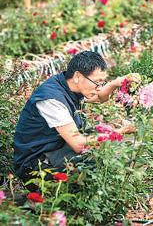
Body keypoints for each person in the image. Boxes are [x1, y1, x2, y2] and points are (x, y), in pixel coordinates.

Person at [14, 51, 128, 184]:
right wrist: (119, 133)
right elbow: (79, 145)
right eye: (97, 82)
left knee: (104, 142)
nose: (99, 88)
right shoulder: (51, 99)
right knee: (101, 157)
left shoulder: (67, 85)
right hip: (36, 165)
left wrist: (115, 83)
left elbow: (99, 98)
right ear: (77, 76)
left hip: (57, 148)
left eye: (102, 83)